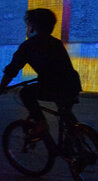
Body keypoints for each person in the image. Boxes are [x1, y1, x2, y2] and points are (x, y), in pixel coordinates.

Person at [0, 9, 82, 138]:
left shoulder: (29, 45)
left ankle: (41, 123)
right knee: (65, 112)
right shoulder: (56, 43)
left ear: (32, 26)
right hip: (72, 84)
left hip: (53, 85)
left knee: (26, 93)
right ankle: (80, 142)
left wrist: (2, 86)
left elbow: (12, 70)